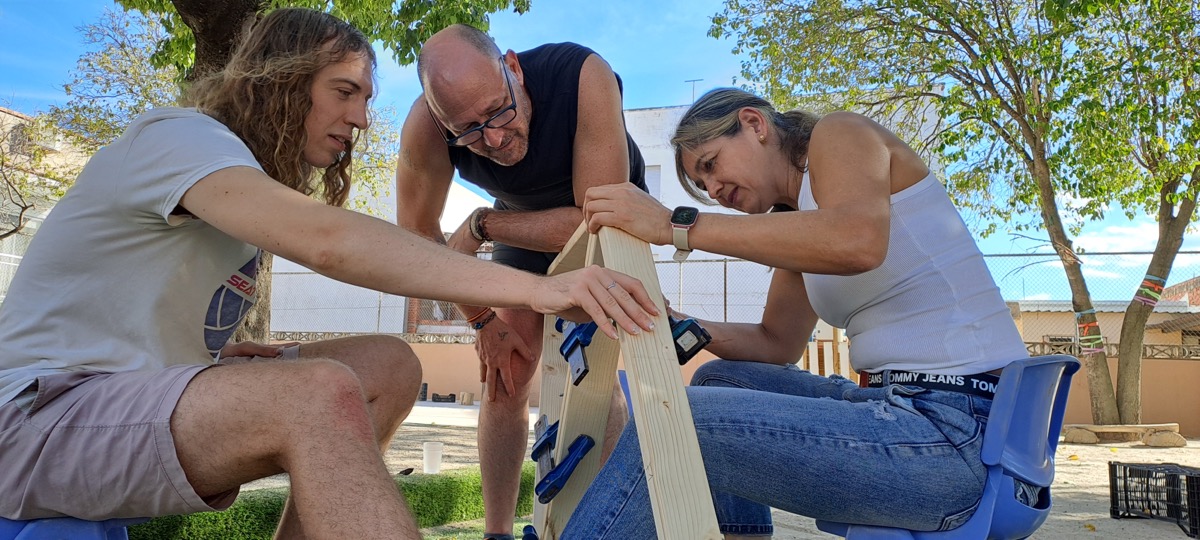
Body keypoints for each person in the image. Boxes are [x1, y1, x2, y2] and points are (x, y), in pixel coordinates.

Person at [0, 9, 658, 539]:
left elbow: (124, 303)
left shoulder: (227, 186)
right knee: (316, 393)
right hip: (35, 419)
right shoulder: (178, 137)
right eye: (343, 92)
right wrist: (542, 288)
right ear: (278, 81)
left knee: (388, 365)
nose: (362, 119)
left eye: (367, 97)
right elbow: (329, 241)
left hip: (112, 403)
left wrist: (209, 352)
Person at [566, 87, 1031, 539]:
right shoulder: (801, 227)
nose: (712, 189)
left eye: (710, 165)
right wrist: (673, 323)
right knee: (719, 381)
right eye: (701, 186)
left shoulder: (840, 133)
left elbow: (858, 240)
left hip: (959, 432)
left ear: (754, 124)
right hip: (899, 408)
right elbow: (777, 343)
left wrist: (675, 225)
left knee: (676, 419)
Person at [394, 24, 648, 539]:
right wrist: (482, 320)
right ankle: (497, 533)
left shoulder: (582, 75)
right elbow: (418, 245)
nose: (491, 139)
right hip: (522, 222)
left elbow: (591, 221)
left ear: (512, 68)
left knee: (594, 375)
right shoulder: (425, 125)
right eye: (466, 130)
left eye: (498, 112)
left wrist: (482, 224)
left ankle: (607, 530)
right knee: (505, 375)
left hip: (608, 220)